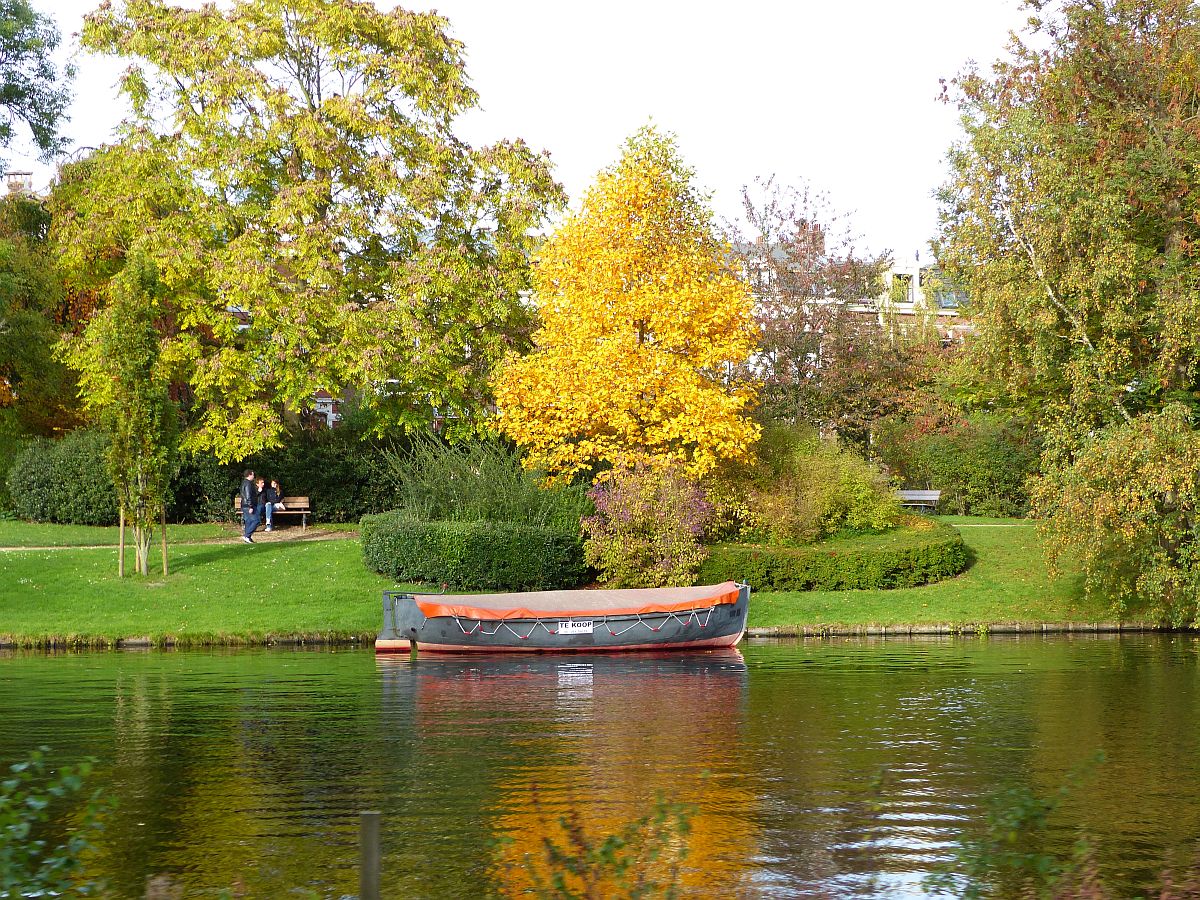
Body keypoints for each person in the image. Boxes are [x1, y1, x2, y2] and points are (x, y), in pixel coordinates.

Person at [240, 469, 260, 543]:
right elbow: (248, 496)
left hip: (244, 505)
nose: (254, 476)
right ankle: (247, 535)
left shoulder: (244, 483)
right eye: (253, 475)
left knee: (248, 522)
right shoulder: (248, 483)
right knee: (256, 520)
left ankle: (248, 539)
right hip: (249, 505)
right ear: (249, 475)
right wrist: (250, 506)